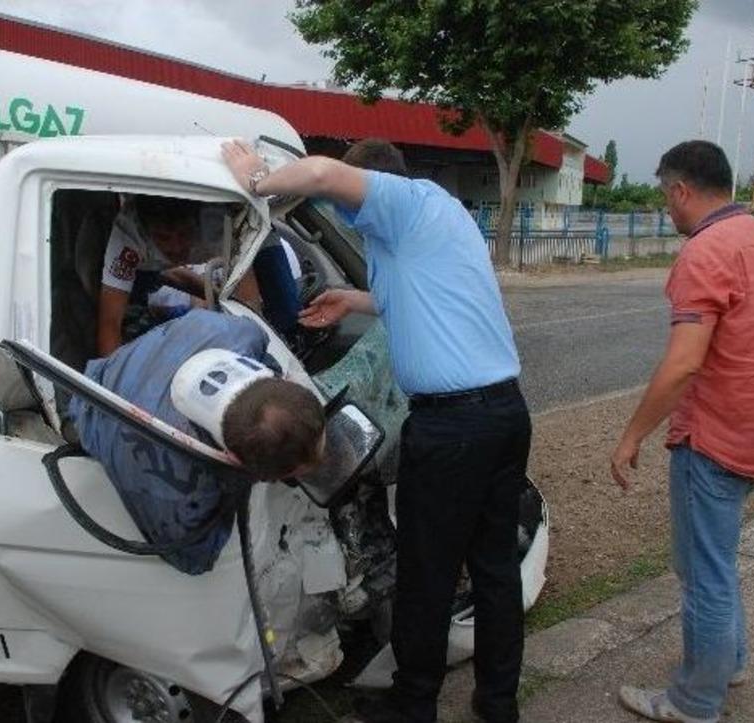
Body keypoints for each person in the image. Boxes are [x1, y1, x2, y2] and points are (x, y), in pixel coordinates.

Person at [223, 138, 530, 723]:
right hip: (501, 414)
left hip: (454, 428)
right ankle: (499, 706)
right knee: (493, 570)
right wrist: (354, 300)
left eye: (349, 206)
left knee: (425, 574)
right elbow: (425, 299)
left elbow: (317, 172)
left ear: (369, 186)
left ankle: (413, 707)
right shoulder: (428, 224)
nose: (347, 217)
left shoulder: (402, 200)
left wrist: (256, 178)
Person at [611, 141, 754, 723]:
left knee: (702, 576)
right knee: (716, 562)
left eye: (665, 195)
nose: (667, 208)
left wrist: (632, 436)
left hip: (715, 439)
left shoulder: (705, 253)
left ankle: (695, 701)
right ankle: (732, 661)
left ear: (680, 190)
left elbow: (682, 364)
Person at [69, 308, 326, 575]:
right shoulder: (178, 490)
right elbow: (194, 560)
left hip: (121, 372)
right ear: (235, 461)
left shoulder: (236, 331)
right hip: (92, 411)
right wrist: (232, 482)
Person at [96, 195, 302, 356]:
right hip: (147, 266)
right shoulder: (127, 238)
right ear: (145, 231)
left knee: (285, 313)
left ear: (198, 222)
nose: (176, 247)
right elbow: (110, 322)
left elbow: (249, 304)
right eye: (164, 237)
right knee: (131, 322)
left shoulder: (223, 222)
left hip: (250, 228)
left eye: (184, 234)